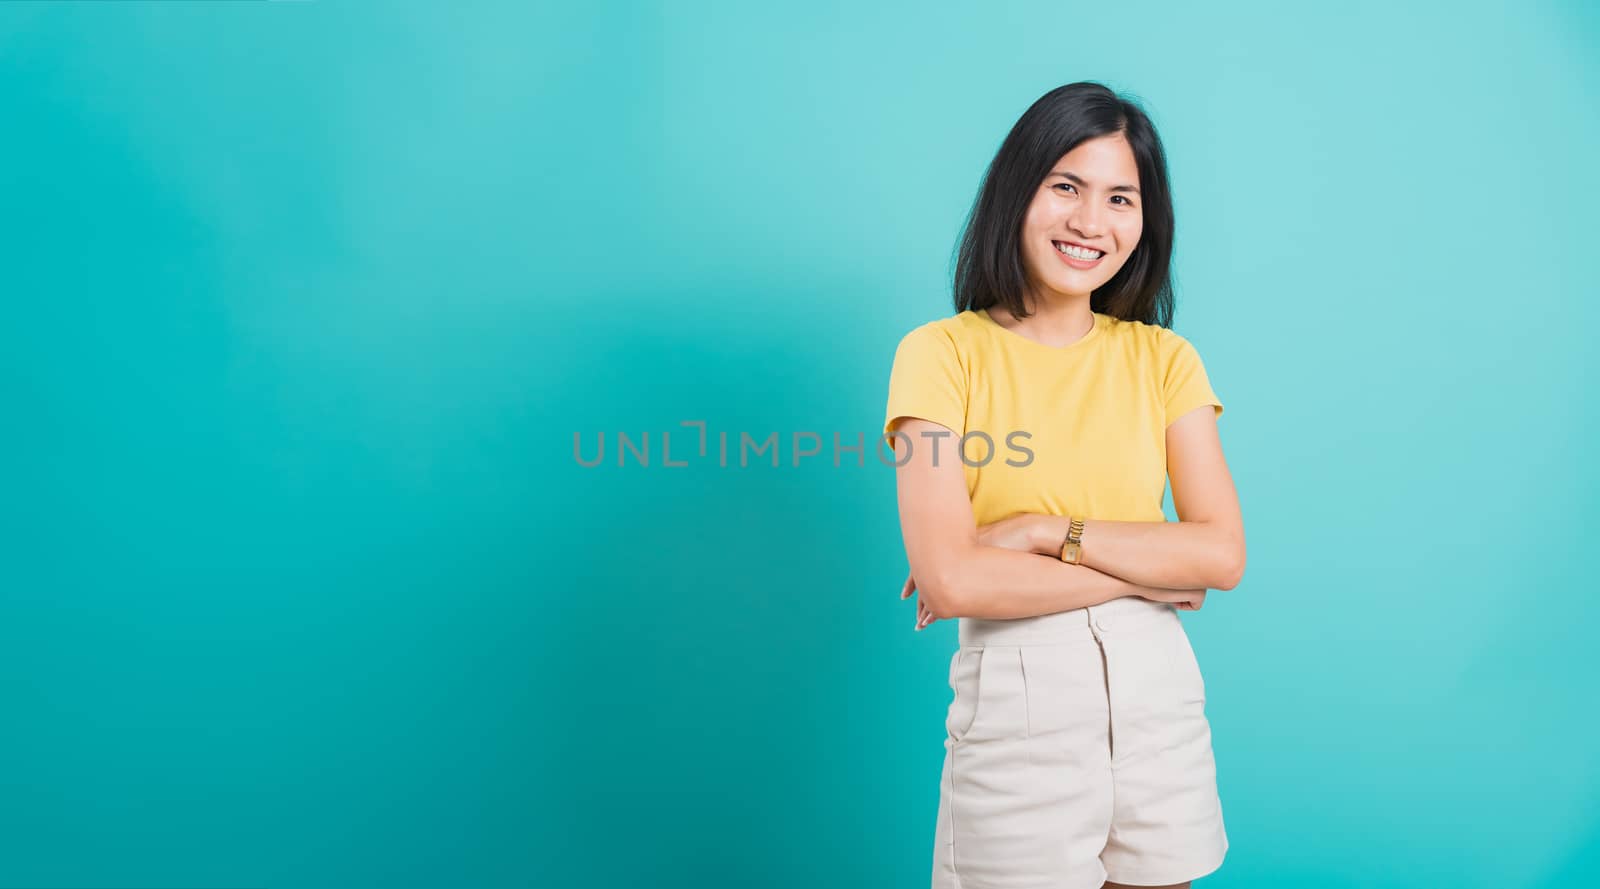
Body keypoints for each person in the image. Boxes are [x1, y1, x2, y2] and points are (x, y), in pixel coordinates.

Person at [882, 81, 1246, 889]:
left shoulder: (1164, 361)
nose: (1091, 222)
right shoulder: (939, 356)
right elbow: (952, 577)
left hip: (1159, 702)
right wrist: (1151, 570)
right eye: (1066, 187)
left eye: (1121, 197)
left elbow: (1221, 555)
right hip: (1020, 708)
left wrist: (1043, 530)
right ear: (1019, 192)